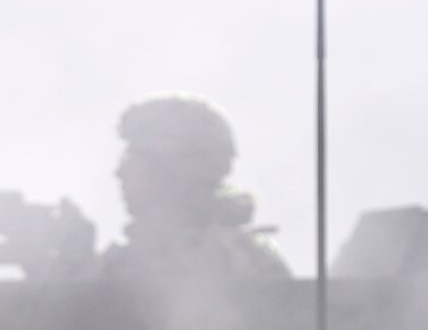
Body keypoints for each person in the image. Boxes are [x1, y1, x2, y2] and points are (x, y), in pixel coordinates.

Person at [102, 92, 292, 284]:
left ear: (170, 171)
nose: (120, 172)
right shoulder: (121, 263)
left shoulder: (238, 261)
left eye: (133, 160)